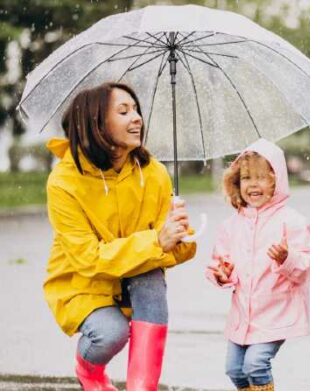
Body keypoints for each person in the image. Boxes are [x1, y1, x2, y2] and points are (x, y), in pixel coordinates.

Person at [43, 82, 196, 391]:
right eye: (124, 111)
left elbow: (175, 249)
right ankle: (89, 370)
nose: (137, 117)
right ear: (96, 123)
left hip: (138, 275)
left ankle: (143, 388)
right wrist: (156, 241)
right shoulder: (63, 183)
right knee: (111, 333)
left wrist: (179, 237)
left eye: (136, 109)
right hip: (84, 282)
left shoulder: (153, 172)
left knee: (151, 276)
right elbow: (87, 259)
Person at [206, 139, 310, 391]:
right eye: (247, 178)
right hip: (243, 315)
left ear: (276, 180)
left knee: (256, 364)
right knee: (235, 369)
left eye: (261, 177)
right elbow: (218, 262)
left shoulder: (291, 222)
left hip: (276, 312)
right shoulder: (231, 225)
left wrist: (286, 258)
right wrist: (222, 273)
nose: (253, 184)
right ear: (237, 182)